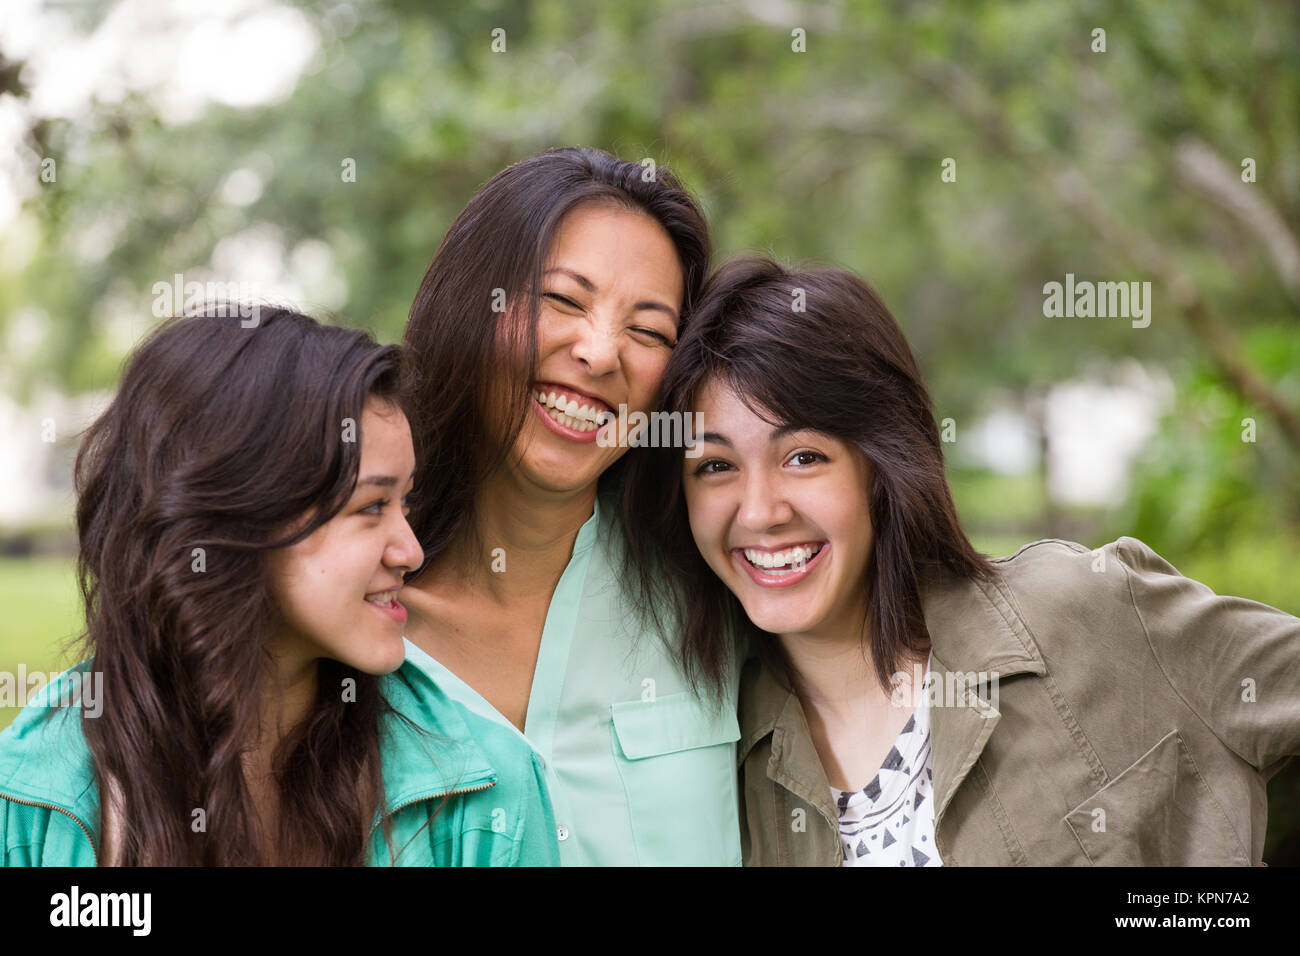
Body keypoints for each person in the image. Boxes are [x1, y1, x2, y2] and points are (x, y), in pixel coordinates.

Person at [621, 254, 1300, 866]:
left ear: (879, 466)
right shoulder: (718, 762)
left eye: (804, 456)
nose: (761, 510)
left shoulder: (1084, 610)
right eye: (714, 466)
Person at [0, 307, 558, 866]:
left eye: (405, 501)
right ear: (230, 520)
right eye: (371, 507)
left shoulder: (488, 793)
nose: (410, 551)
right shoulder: (24, 803)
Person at [399, 146, 744, 865]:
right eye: (562, 299)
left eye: (649, 332)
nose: (599, 352)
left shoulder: (719, 593)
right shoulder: (351, 616)